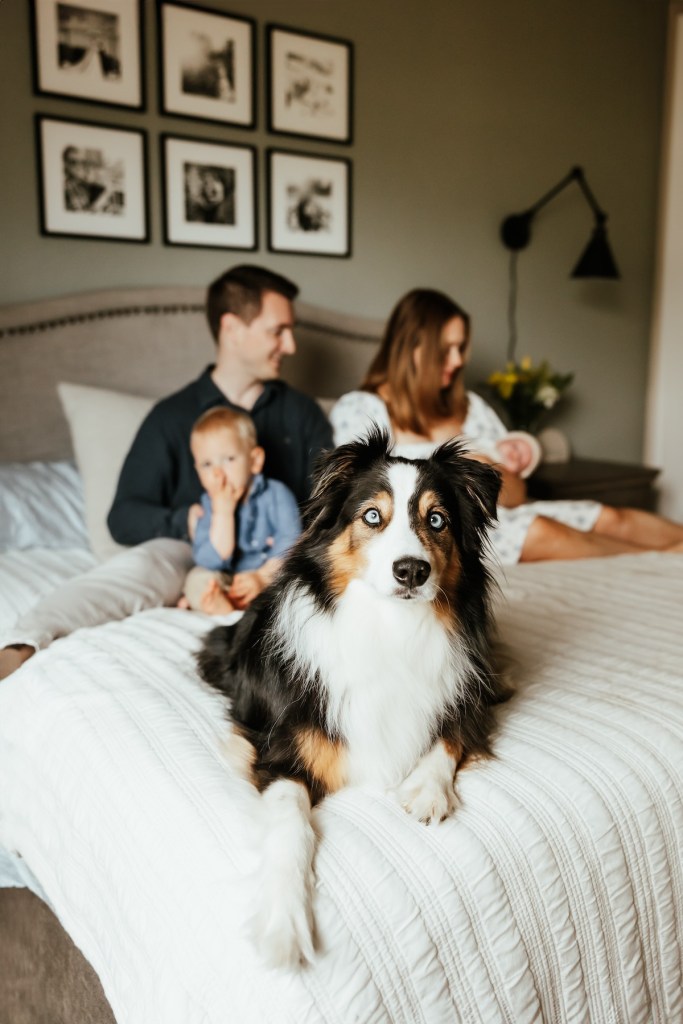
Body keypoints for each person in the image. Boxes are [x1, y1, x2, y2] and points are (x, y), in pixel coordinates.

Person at [0, 264, 332, 679]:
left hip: (276, 554)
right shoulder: (171, 417)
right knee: (139, 567)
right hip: (188, 554)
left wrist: (271, 567)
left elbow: (326, 511)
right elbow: (123, 517)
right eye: (277, 330)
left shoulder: (302, 414)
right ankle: (23, 642)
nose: (291, 345)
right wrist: (188, 521)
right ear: (232, 328)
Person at [330, 287, 683, 565]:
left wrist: (491, 468)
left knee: (609, 516)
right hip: (457, 526)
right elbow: (358, 495)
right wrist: (478, 467)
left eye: (460, 348)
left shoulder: (471, 408)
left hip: (511, 508)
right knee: (542, 531)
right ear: (413, 348)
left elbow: (515, 491)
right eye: (446, 349)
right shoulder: (361, 408)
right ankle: (662, 560)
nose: (456, 360)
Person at [181, 405, 301, 614]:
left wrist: (261, 577)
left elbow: (291, 542)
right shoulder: (208, 504)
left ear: (254, 461)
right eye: (207, 464)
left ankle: (248, 608)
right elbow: (209, 559)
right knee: (196, 579)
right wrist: (222, 512)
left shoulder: (276, 493)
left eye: (228, 459)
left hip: (268, 575)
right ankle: (222, 606)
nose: (218, 472)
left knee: (295, 584)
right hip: (227, 579)